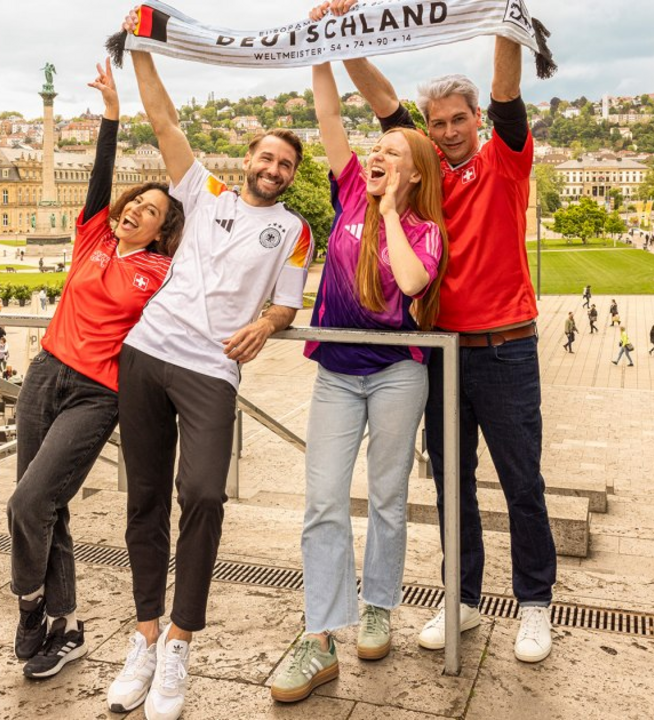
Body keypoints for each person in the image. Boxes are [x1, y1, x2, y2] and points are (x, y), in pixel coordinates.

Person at [337, 2, 556, 664]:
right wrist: (344, 37)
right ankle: (462, 598)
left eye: (460, 119)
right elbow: (381, 102)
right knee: (451, 484)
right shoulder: (424, 168)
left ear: (477, 119)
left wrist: (506, 20)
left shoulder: (505, 160)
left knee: (522, 481)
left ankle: (534, 603)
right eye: (438, 123)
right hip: (442, 351)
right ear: (428, 132)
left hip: (506, 347)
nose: (450, 131)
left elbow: (508, 90)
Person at [109, 24, 315, 718]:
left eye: (286, 165)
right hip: (148, 351)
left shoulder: (294, 230)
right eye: (268, 156)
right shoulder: (205, 190)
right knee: (143, 498)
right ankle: (143, 636)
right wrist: (139, 47)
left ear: (291, 176)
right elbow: (163, 118)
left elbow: (286, 302)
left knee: (202, 494)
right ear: (248, 157)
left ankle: (180, 642)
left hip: (210, 370)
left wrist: (267, 324)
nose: (274, 169)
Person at [270, 62, 446, 705]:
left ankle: (378, 607)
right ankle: (319, 634)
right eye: (377, 148)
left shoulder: (424, 229)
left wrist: (390, 210)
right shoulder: (348, 189)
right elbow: (328, 116)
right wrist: (322, 53)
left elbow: (411, 282)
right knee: (323, 501)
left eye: (393, 152)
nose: (377, 155)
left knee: (387, 498)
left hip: (399, 372)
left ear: (416, 173)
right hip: (338, 374)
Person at [6, 59, 182, 683]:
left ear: (162, 231)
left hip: (97, 394)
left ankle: (29, 604)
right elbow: (99, 182)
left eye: (151, 210)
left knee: (30, 500)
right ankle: (66, 626)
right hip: (44, 375)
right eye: (135, 203)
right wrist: (111, 115)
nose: (135, 211)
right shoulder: (94, 239)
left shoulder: (162, 272)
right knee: (46, 507)